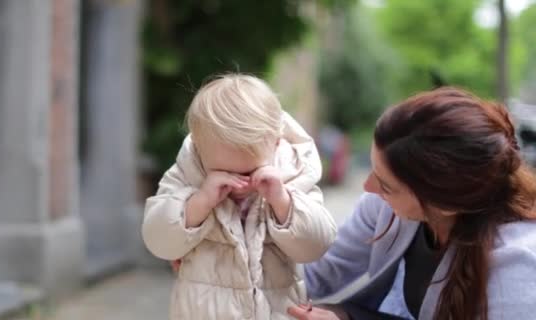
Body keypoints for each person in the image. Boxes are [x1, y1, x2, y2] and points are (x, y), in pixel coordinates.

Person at [288, 87, 536, 320]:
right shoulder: (386, 205)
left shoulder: (517, 269)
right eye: (374, 170)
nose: (368, 187)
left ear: (445, 203)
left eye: (386, 185)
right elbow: (319, 271)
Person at [142, 74, 337, 319]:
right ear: (199, 151)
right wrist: (199, 203)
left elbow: (316, 246)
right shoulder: (188, 174)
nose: (237, 183)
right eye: (222, 171)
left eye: (248, 172)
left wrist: (283, 202)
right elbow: (157, 240)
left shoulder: (293, 176)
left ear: (275, 144)